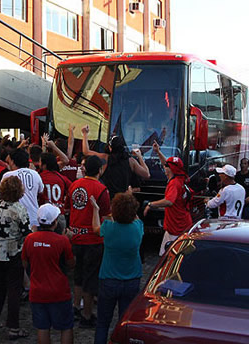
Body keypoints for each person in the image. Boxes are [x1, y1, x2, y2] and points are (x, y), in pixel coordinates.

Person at [0, 176, 31, 339]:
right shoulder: (19, 209)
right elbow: (26, 232)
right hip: (13, 253)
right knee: (14, 290)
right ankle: (13, 326)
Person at [93, 192, 143, 344]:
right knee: (124, 322)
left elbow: (95, 228)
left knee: (102, 322)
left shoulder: (108, 228)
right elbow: (136, 218)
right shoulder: (137, 227)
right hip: (131, 280)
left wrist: (95, 209)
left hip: (109, 279)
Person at [68, 155, 112, 328]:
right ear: (100, 170)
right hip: (92, 239)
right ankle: (87, 315)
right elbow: (106, 216)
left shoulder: (73, 186)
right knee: (90, 279)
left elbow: (68, 207)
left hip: (76, 237)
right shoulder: (102, 189)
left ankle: (75, 306)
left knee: (78, 275)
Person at [23, 204, 75, 344]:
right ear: (55, 222)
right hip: (59, 291)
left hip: (37, 291)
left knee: (43, 328)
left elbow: (25, 263)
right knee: (66, 327)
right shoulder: (62, 240)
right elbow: (71, 264)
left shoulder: (29, 239)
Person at [144, 142, 193, 256]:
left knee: (168, 257)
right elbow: (167, 164)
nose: (164, 167)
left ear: (169, 169)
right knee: (167, 255)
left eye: (166, 167)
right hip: (179, 224)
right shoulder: (179, 178)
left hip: (176, 227)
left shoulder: (174, 183)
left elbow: (169, 201)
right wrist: (158, 152)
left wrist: (151, 204)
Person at [81, 125, 150, 197]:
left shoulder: (105, 158)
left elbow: (86, 152)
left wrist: (85, 134)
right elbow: (147, 174)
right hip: (122, 199)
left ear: (110, 148)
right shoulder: (131, 161)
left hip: (107, 198)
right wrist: (140, 156)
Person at [1, 148, 44, 230]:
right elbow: (41, 192)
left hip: (13, 220)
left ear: (13, 161)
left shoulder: (8, 175)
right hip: (33, 218)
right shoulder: (35, 174)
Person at [39, 152, 72, 231]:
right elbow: (73, 190)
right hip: (59, 213)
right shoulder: (61, 177)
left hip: (44, 215)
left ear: (44, 165)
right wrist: (66, 206)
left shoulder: (39, 177)